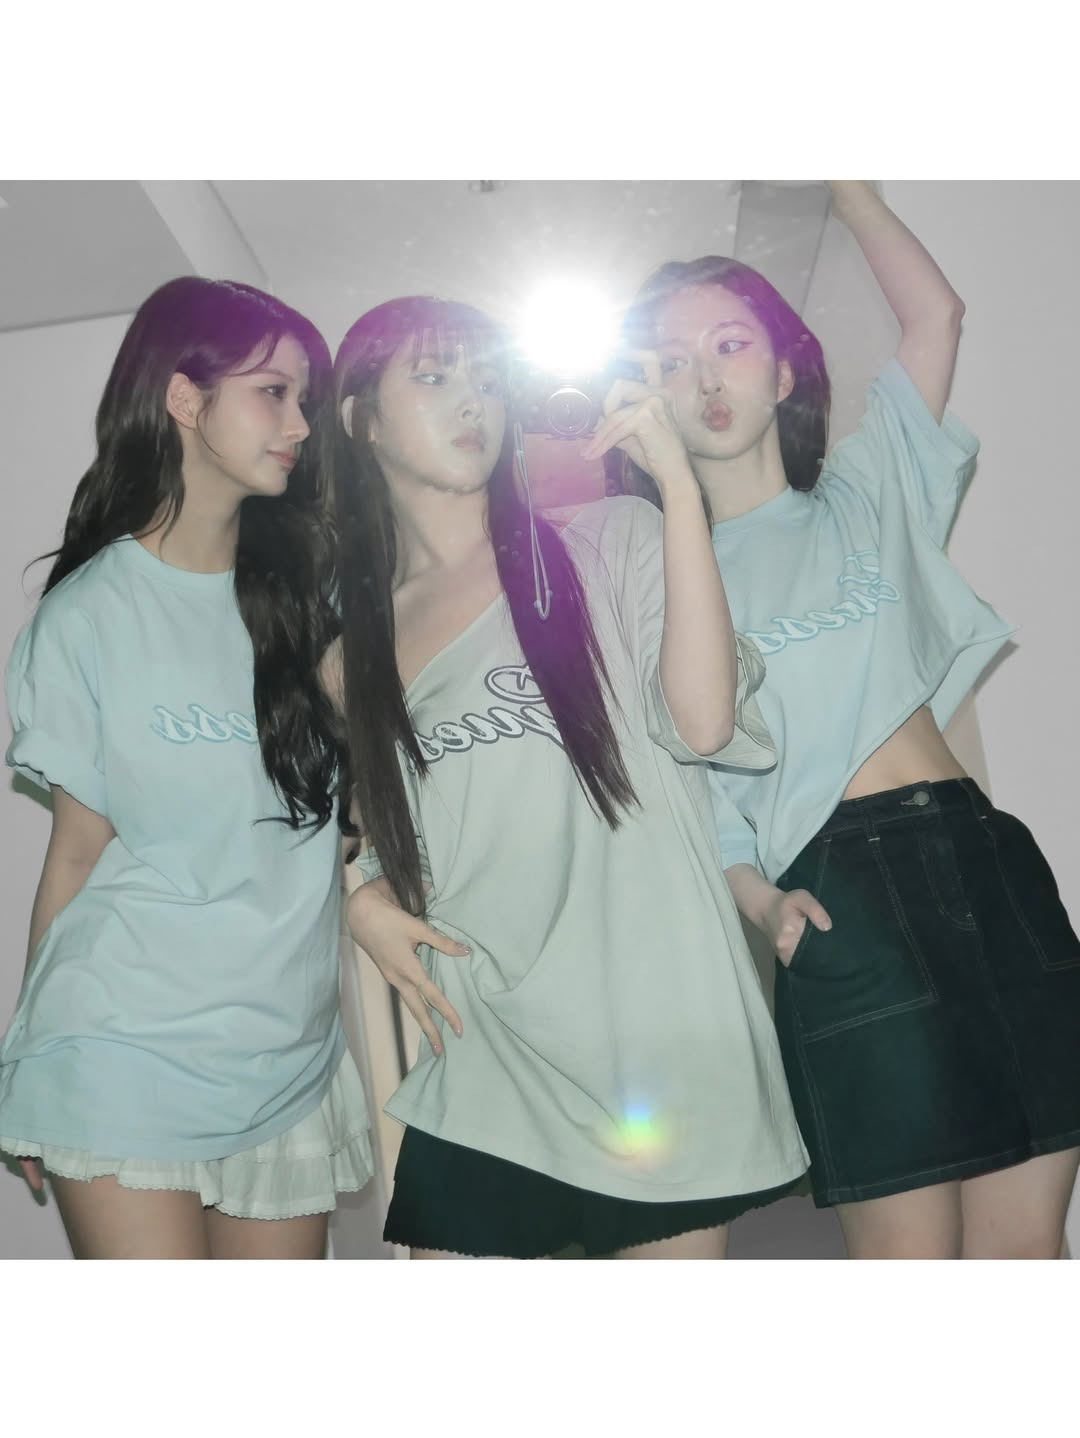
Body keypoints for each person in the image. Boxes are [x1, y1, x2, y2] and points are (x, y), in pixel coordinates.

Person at [616, 180, 1080, 1258]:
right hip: (840, 896)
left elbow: (937, 318)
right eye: (671, 362)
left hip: (985, 861)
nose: (705, 378)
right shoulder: (661, 587)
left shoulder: (868, 493)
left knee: (1025, 1256)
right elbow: (700, 791)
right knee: (909, 1266)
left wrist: (847, 181)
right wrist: (760, 901)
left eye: (730, 345)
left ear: (784, 372)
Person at [328, 294, 808, 1259]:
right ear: (361, 419)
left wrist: (678, 489)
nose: (473, 400)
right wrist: (360, 895)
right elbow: (380, 829)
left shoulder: (612, 537)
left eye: (488, 378)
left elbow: (706, 722)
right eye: (434, 376)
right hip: (489, 1050)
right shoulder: (350, 652)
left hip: (658, 1044)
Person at [0, 277, 372, 1259]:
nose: (299, 424)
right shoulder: (87, 616)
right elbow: (76, 853)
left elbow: (361, 810)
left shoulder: (315, 600)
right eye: (272, 392)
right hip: (119, 1046)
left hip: (287, 1055)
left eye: (304, 398)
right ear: (182, 397)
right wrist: (28, 1056)